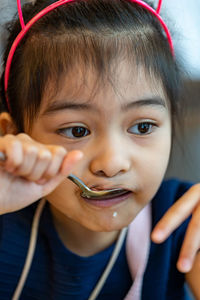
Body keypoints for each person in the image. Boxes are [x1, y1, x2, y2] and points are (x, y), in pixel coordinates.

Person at [0, 0, 199, 299]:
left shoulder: (185, 224)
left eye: (143, 127)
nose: (112, 163)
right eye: (77, 131)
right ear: (14, 134)